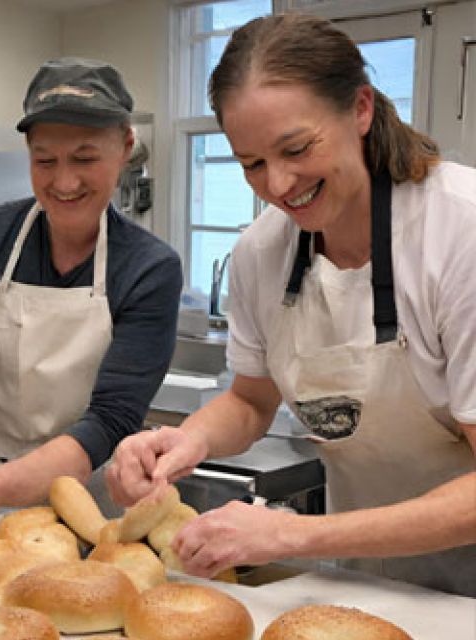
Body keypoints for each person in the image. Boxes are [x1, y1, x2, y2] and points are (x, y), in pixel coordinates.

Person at [106, 14, 476, 597]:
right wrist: (190, 440)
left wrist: (293, 536)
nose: (277, 185)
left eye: (296, 148)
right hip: (374, 577)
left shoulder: (458, 232)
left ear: (360, 109)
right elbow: (251, 400)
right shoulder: (262, 254)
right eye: (251, 163)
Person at [0, 57, 183, 519]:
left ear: (126, 146)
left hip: (89, 498)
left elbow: (110, 420)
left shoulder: (149, 269)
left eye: (85, 158)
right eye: (45, 161)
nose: (64, 182)